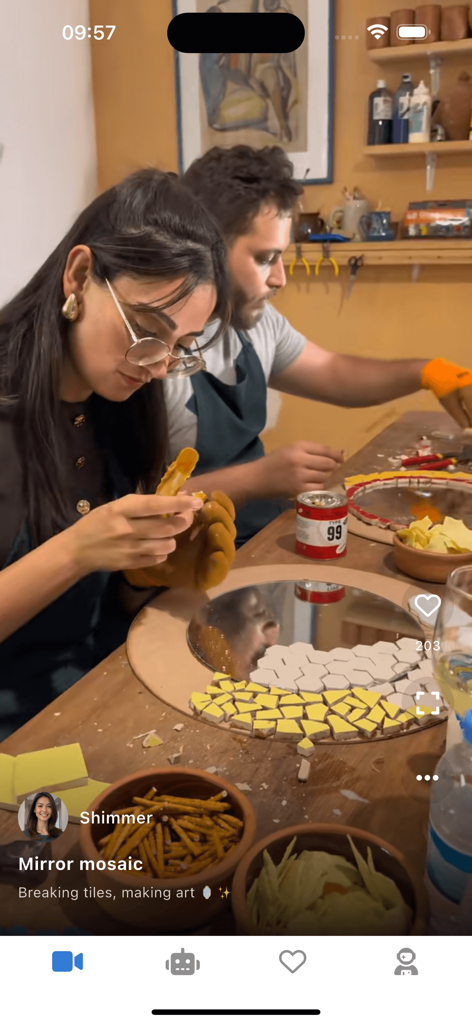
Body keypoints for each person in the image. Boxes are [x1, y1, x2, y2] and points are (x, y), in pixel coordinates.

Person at [0, 168, 236, 740]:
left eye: (180, 347)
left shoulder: (123, 401)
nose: (158, 365)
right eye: (149, 329)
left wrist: (147, 569)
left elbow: (100, 609)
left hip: (96, 684)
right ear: (80, 275)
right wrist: (78, 550)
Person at [167, 144, 472, 545]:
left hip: (259, 536)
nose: (280, 278)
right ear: (207, 248)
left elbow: (335, 373)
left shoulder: (258, 325)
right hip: (182, 558)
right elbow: (130, 507)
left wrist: (430, 372)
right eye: (265, 258)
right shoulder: (153, 352)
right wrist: (257, 477)